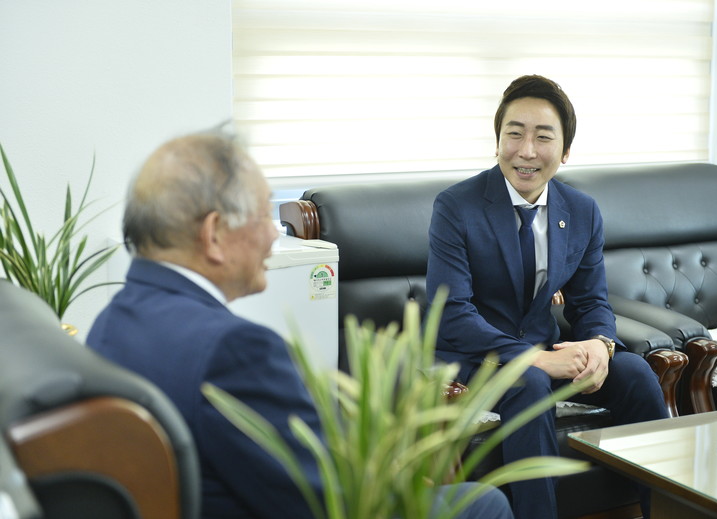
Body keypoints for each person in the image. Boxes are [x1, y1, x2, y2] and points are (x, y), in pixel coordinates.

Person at [87, 131, 513, 519]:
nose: (274, 235)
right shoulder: (234, 349)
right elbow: (327, 501)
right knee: (484, 503)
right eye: (262, 215)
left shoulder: (111, 322)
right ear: (214, 234)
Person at [426, 75, 669, 519]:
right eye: (514, 134)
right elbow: (452, 314)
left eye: (543, 137)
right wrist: (534, 359)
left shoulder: (581, 210)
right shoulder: (456, 207)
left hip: (546, 352)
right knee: (529, 382)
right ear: (497, 142)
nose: (526, 151)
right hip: (476, 358)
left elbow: (591, 302)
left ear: (565, 150)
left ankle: (667, 510)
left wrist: (600, 345)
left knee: (636, 373)